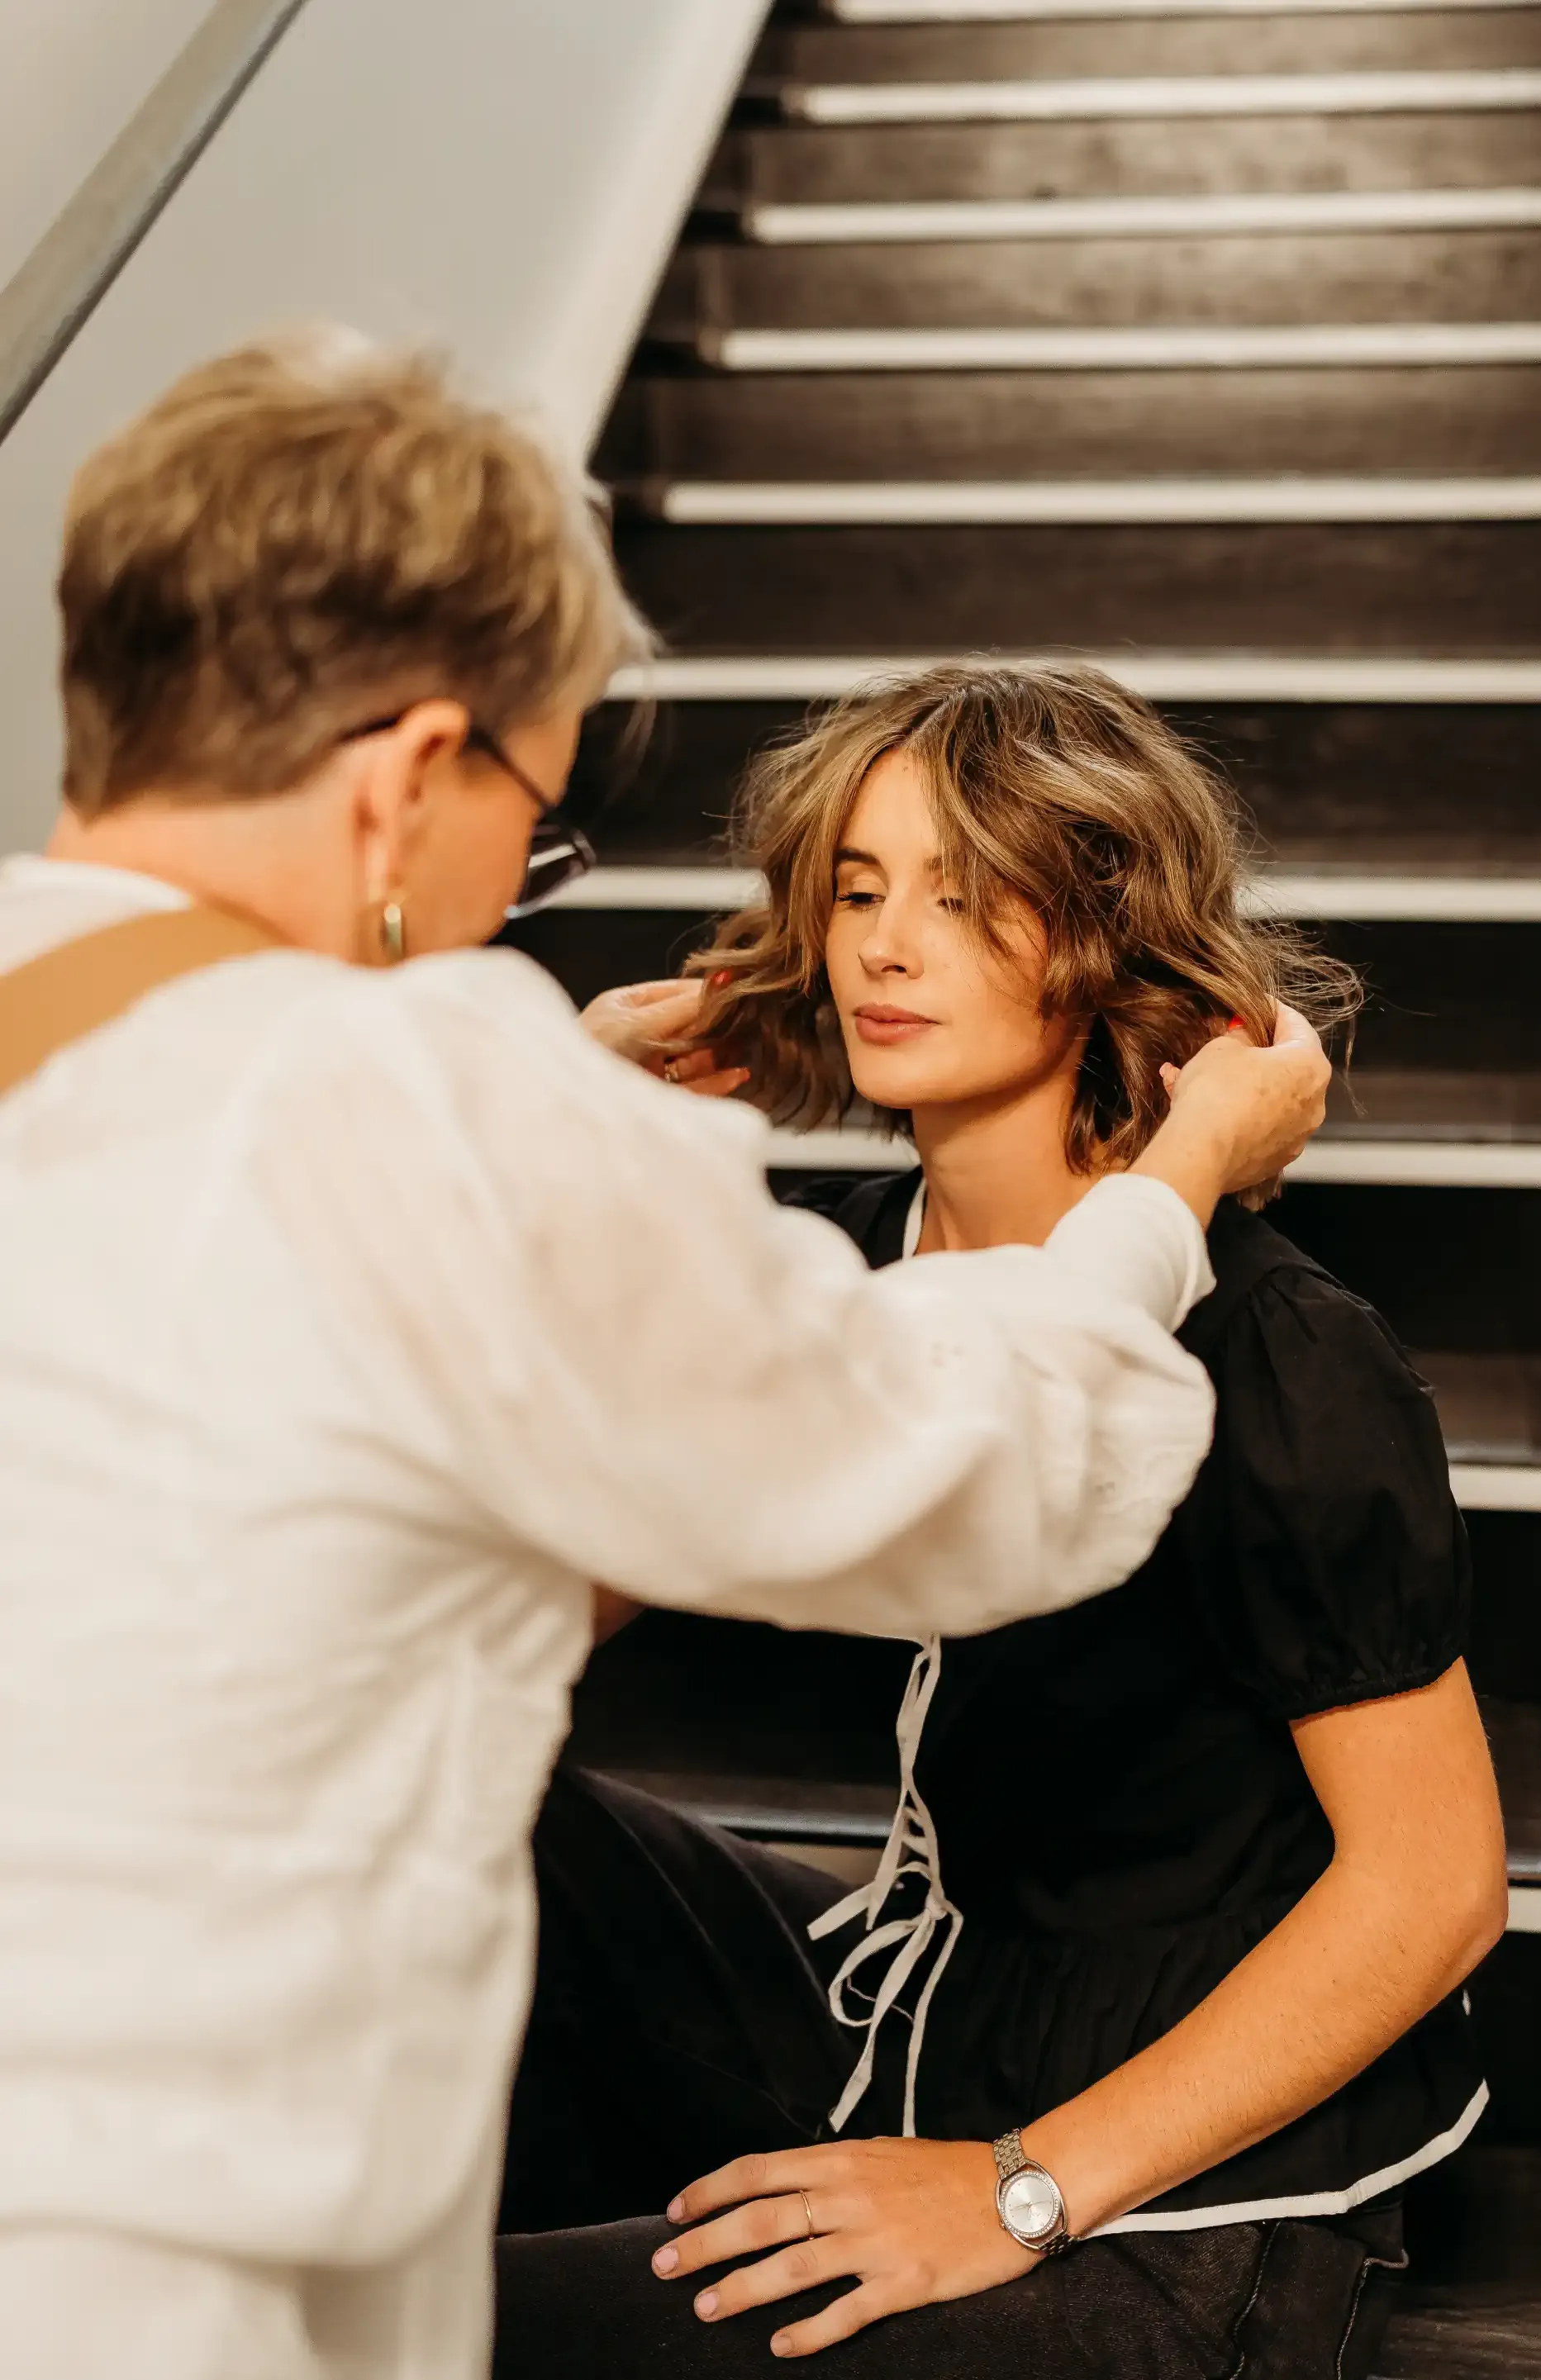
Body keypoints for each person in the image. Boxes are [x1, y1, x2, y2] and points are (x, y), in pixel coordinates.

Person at [0, 344, 1328, 2380]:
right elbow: (964, 1468)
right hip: (141, 2230)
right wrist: (1170, 1190)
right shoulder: (433, 1110)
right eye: (533, 808)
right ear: (407, 772)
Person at [494, 663, 1507, 2379]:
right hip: (935, 1997)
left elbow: (1436, 1887)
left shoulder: (1276, 1346)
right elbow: (545, 1615)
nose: (887, 946)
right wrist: (599, 1155)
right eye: (861, 891)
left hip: (1181, 2150)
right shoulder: (838, 1249)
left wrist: (1016, 2193)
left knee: (459, 2335)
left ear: (1104, 940)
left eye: (966, 900)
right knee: (474, 1792)